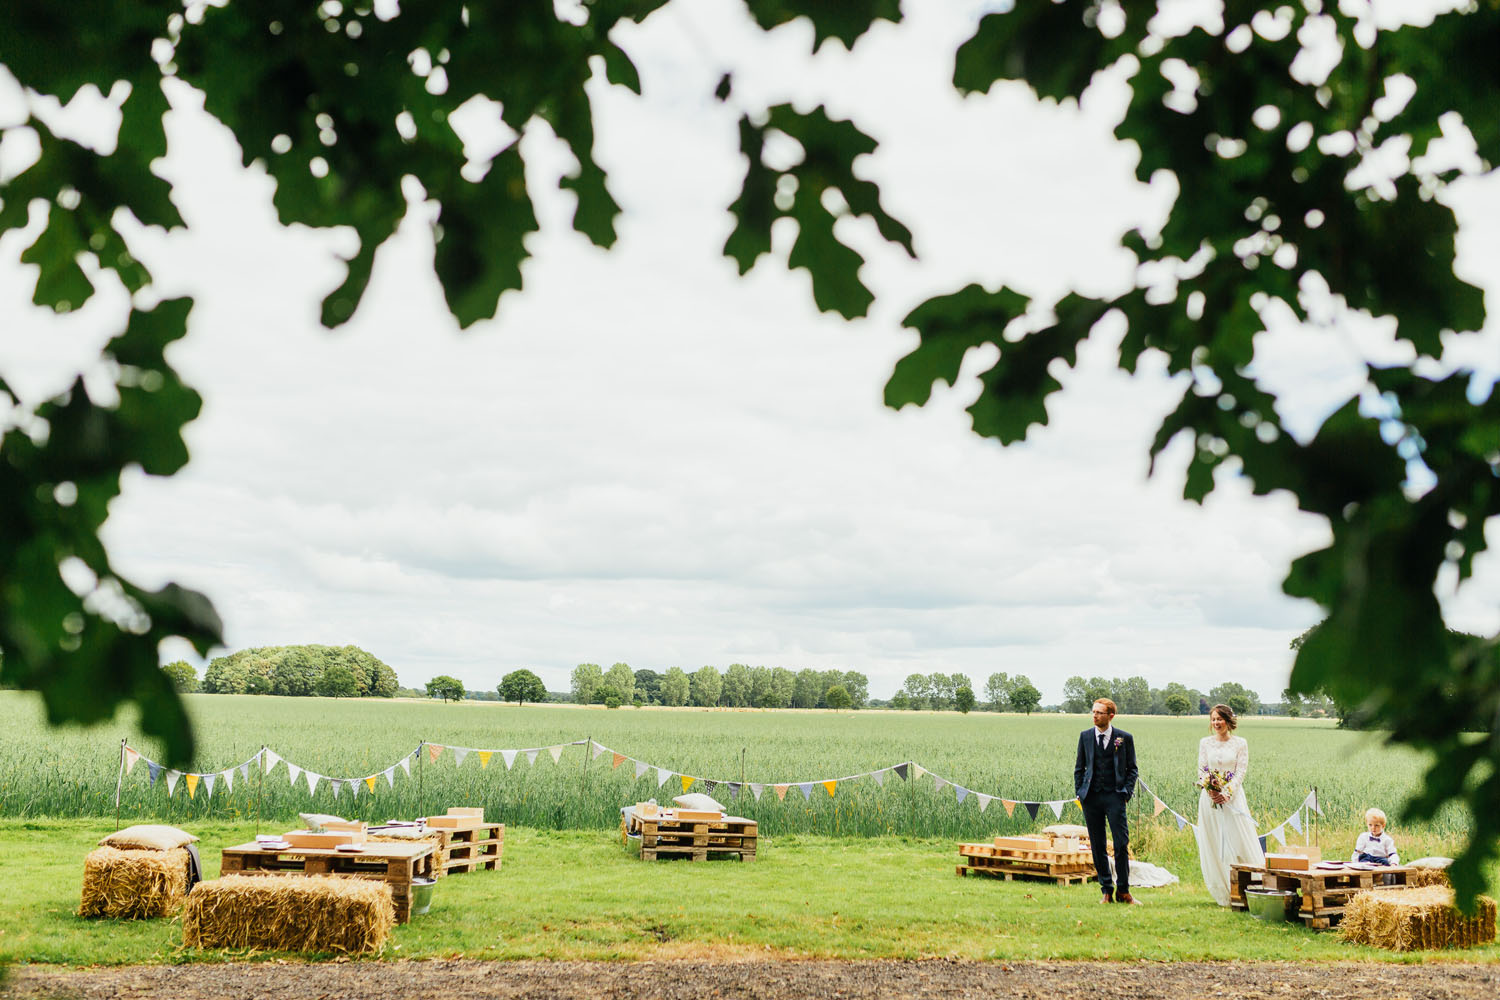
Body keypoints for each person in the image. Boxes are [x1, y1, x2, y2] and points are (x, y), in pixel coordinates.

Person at [1194, 703, 1265, 906]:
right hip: (1209, 800)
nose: (1216, 723)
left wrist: (1226, 793)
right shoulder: (1205, 743)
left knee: (1238, 839)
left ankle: (1248, 888)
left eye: (1220, 719)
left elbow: (1241, 771)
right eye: (1213, 719)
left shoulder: (1240, 743)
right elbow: (1202, 769)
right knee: (1215, 841)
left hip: (1233, 799)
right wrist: (1210, 790)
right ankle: (1223, 889)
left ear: (1228, 721)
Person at [1074, 698, 1139, 904]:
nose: (1095, 716)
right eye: (1093, 712)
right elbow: (1079, 768)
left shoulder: (1123, 738)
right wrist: (1080, 793)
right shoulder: (1085, 737)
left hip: (1115, 796)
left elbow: (1132, 769)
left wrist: (1126, 792)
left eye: (1099, 713)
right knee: (1097, 845)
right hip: (1091, 797)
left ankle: (1124, 891)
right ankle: (1106, 891)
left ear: (1111, 715)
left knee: (1121, 844)